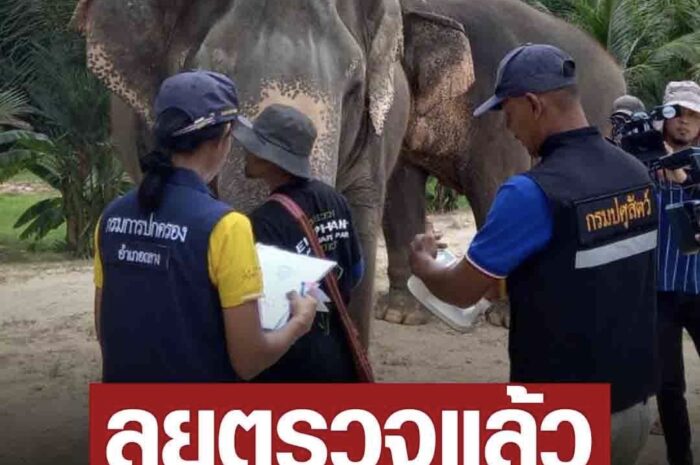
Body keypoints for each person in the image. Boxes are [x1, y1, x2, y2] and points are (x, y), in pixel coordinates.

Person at [408, 44, 658, 465]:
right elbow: (597, 268)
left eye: (507, 112)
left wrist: (425, 266)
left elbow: (461, 292)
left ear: (533, 104)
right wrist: (516, 284)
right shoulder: (634, 174)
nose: (508, 127)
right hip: (633, 408)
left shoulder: (531, 192)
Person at [93, 71, 317, 382]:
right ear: (224, 137)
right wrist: (299, 323)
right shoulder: (226, 227)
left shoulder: (110, 218)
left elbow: (107, 334)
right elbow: (249, 360)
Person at [232, 103, 364, 382]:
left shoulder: (262, 222)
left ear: (270, 159)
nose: (246, 150)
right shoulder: (335, 199)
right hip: (337, 353)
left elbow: (261, 307)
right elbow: (356, 272)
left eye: (254, 146)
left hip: (289, 361)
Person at [652, 80, 700, 465]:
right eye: (677, 113)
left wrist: (690, 180)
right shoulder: (640, 160)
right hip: (658, 291)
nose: (685, 123)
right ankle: (679, 457)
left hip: (699, 287)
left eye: (694, 115)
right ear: (663, 116)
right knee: (668, 385)